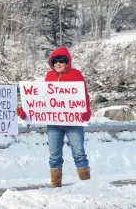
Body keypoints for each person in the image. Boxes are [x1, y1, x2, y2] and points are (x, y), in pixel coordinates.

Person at [17, 46, 91, 188]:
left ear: (67, 62)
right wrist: (27, 112)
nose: (58, 63)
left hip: (73, 122)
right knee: (54, 156)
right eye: (55, 61)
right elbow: (42, 100)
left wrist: (86, 111)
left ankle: (87, 186)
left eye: (61, 60)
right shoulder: (49, 76)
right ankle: (56, 187)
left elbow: (84, 96)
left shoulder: (76, 75)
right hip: (54, 123)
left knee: (79, 154)